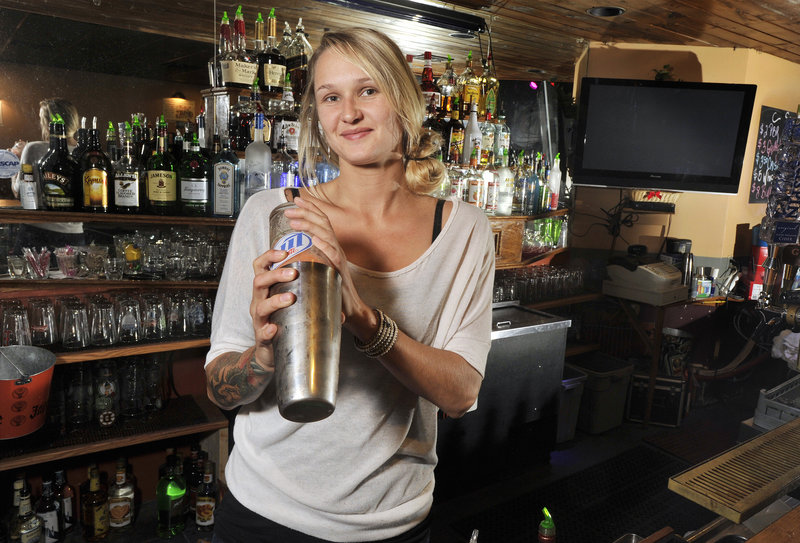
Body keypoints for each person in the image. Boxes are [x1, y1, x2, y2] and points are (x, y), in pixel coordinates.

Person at [205, 28, 494, 543]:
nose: (349, 113)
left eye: (368, 90)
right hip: (263, 512)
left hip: (390, 520)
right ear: (317, 116)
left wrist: (360, 315)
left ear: (404, 100)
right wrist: (264, 356)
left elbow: (460, 393)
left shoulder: (463, 228)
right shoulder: (273, 213)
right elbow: (220, 388)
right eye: (330, 96)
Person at [11, 98, 85, 252]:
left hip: (36, 231)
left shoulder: (33, 148)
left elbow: (19, 192)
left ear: (47, 122)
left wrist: (16, 163)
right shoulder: (85, 152)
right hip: (74, 234)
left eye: (41, 119)